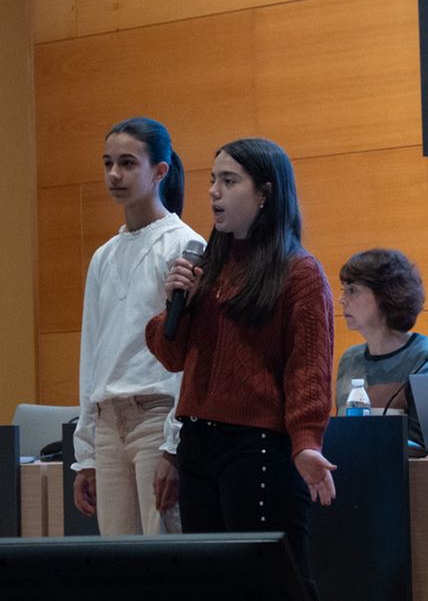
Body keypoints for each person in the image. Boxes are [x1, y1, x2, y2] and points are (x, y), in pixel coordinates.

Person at [145, 137, 335, 597]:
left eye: (229, 181)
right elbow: (172, 356)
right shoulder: (205, 267)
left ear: (265, 193)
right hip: (197, 443)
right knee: (212, 582)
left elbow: (308, 369)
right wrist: (178, 306)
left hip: (258, 447)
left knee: (274, 583)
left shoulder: (299, 272)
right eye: (213, 180)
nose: (214, 191)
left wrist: (306, 443)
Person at [71, 117, 204, 536]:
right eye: (108, 163)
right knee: (118, 561)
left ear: (159, 171)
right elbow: (92, 354)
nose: (114, 174)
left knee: (164, 551)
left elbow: (189, 355)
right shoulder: (103, 256)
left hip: (156, 417)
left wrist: (173, 444)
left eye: (127, 163)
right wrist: (86, 453)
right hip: (109, 423)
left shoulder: (184, 245)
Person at [334, 248, 428, 443]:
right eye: (343, 289)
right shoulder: (349, 359)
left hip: (408, 462)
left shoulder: (425, 355)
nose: (341, 299)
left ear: (384, 295)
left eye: (352, 290)